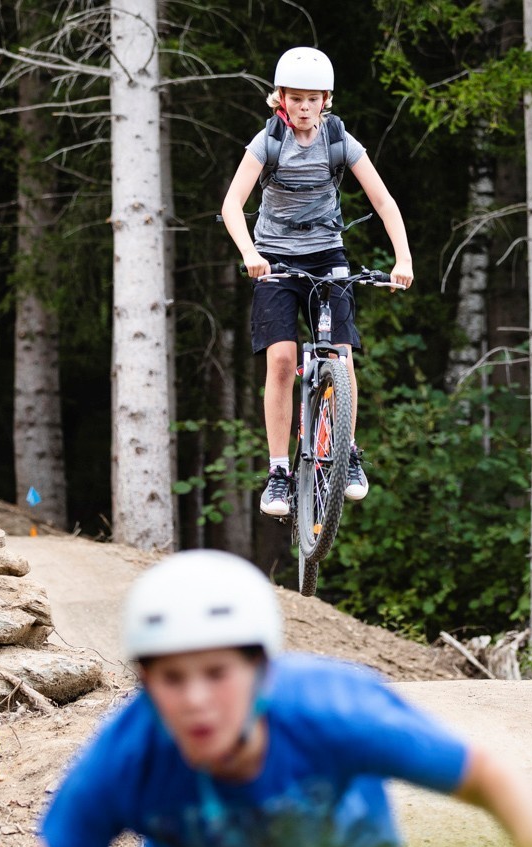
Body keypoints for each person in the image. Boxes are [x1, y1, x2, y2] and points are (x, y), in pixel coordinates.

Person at [40, 550, 532, 847]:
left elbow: (490, 778)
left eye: (217, 673)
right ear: (146, 682)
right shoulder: (126, 756)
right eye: (172, 679)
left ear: (262, 671)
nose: (196, 699)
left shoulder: (334, 710)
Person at [221, 46, 414, 518]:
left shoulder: (339, 141)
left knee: (343, 357)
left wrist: (402, 258)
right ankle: (279, 472)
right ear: (280, 98)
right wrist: (250, 254)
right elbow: (231, 205)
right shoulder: (266, 142)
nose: (304, 107)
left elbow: (384, 202)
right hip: (275, 260)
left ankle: (347, 456)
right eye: (296, 98)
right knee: (283, 360)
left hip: (328, 255)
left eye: (313, 98)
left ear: (326, 99)